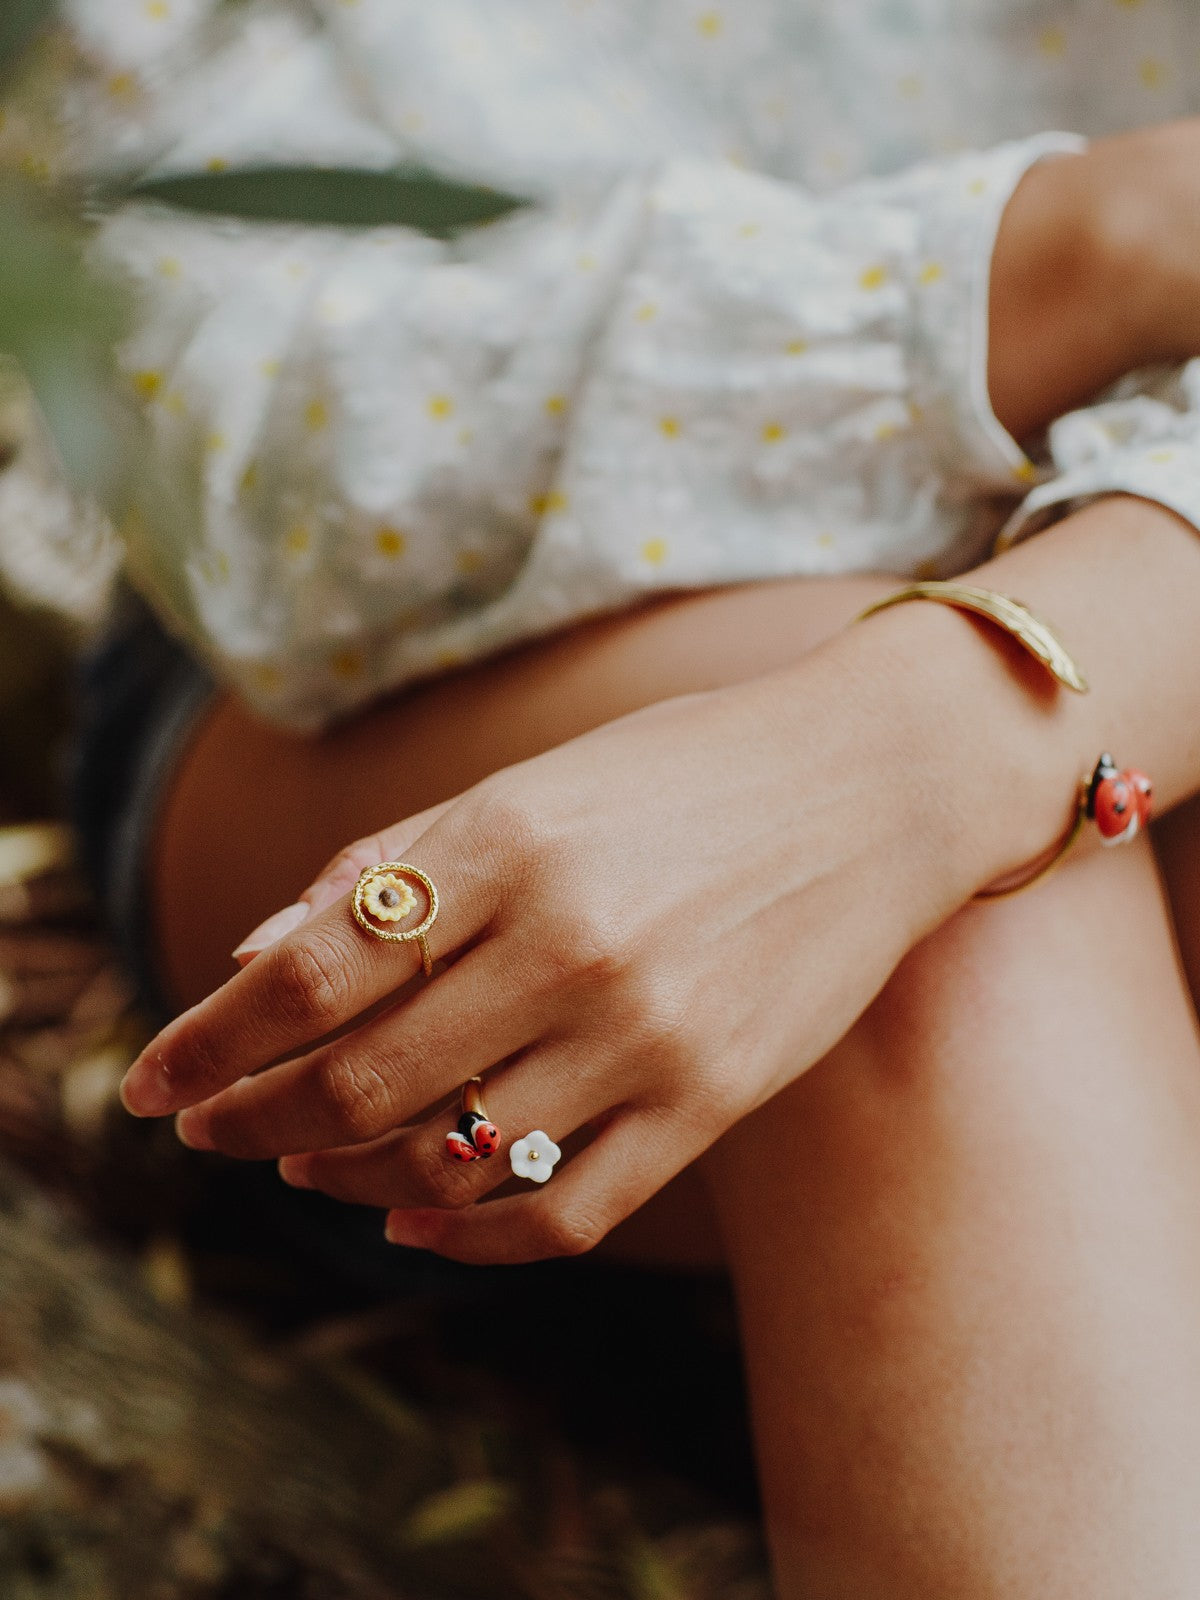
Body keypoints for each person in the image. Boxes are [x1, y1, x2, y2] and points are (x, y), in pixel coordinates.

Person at [7, 2, 1200, 1593]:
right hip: (410, 660)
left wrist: (944, 734)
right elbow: (283, 444)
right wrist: (1099, 245)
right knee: (966, 945)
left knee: (952, 858)